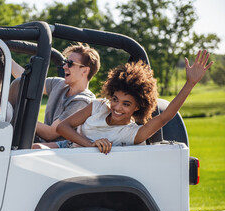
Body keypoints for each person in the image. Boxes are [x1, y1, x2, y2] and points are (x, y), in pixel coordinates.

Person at [44, 49, 213, 154]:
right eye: (115, 99)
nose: (117, 107)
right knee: (33, 149)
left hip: (81, 161)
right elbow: (62, 127)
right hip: (70, 148)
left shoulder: (132, 133)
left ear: (137, 106)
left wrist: (190, 83)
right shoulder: (99, 106)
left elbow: (165, 117)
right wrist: (91, 145)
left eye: (126, 104)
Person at [12, 43, 100, 144]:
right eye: (66, 62)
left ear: (85, 71)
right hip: (39, 143)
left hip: (56, 154)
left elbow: (50, 134)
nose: (64, 67)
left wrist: (17, 115)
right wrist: (6, 56)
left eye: (70, 63)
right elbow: (28, 82)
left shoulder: (82, 102)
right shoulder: (59, 84)